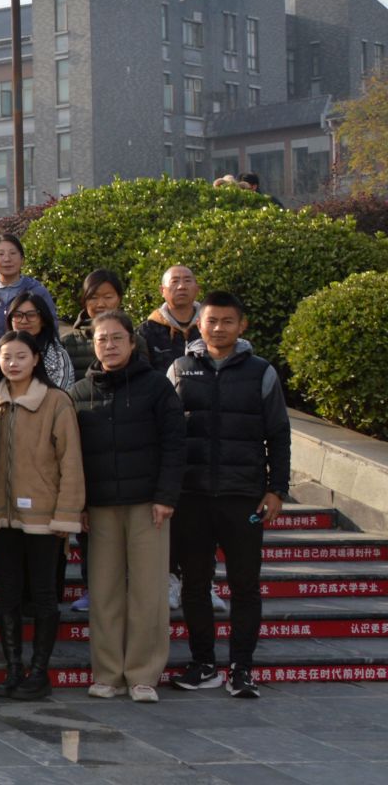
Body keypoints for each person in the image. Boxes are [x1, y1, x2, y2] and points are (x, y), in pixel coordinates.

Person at [167, 292, 290, 699]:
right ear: (199, 324)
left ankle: (242, 668)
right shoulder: (180, 369)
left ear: (242, 326)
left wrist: (277, 489)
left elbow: (279, 435)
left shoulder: (261, 372)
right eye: (212, 320)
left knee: (245, 585)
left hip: (244, 498)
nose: (218, 328)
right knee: (194, 584)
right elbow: (167, 433)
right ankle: (203, 663)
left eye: (227, 321)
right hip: (192, 497)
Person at [71, 311, 185, 704]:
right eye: (101, 339)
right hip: (100, 508)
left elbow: (175, 444)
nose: (109, 346)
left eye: (117, 338)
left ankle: (143, 674)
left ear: (132, 342)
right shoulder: (80, 392)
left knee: (148, 592)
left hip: (147, 505)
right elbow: (74, 456)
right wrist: (79, 505)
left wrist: (166, 497)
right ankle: (107, 674)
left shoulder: (156, 387)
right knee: (104, 593)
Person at [0, 330, 84, 702]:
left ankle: (39, 671)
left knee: (44, 594)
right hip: (2, 515)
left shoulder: (56, 401)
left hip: (45, 517)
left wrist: (66, 514)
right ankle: (14, 668)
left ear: (36, 359)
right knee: (8, 594)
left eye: (21, 356)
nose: (12, 363)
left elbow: (70, 462)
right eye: (6, 357)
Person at [60, 270, 148, 381]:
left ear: (119, 299)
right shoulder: (66, 343)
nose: (101, 304)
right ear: (84, 301)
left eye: (108, 297)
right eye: (93, 298)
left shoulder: (135, 341)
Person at [0, 234, 58, 338]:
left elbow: (52, 329)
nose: (7, 259)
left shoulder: (38, 292)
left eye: (13, 253)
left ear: (22, 259)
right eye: (0, 254)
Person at [7, 292, 75, 389]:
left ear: (43, 320)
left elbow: (60, 393)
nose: (24, 321)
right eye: (18, 315)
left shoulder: (57, 356)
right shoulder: (1, 351)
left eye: (31, 315)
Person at [142, 265, 202, 370]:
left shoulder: (211, 326)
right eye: (174, 281)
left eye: (187, 281)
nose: (181, 286)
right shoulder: (146, 331)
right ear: (162, 290)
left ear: (197, 289)